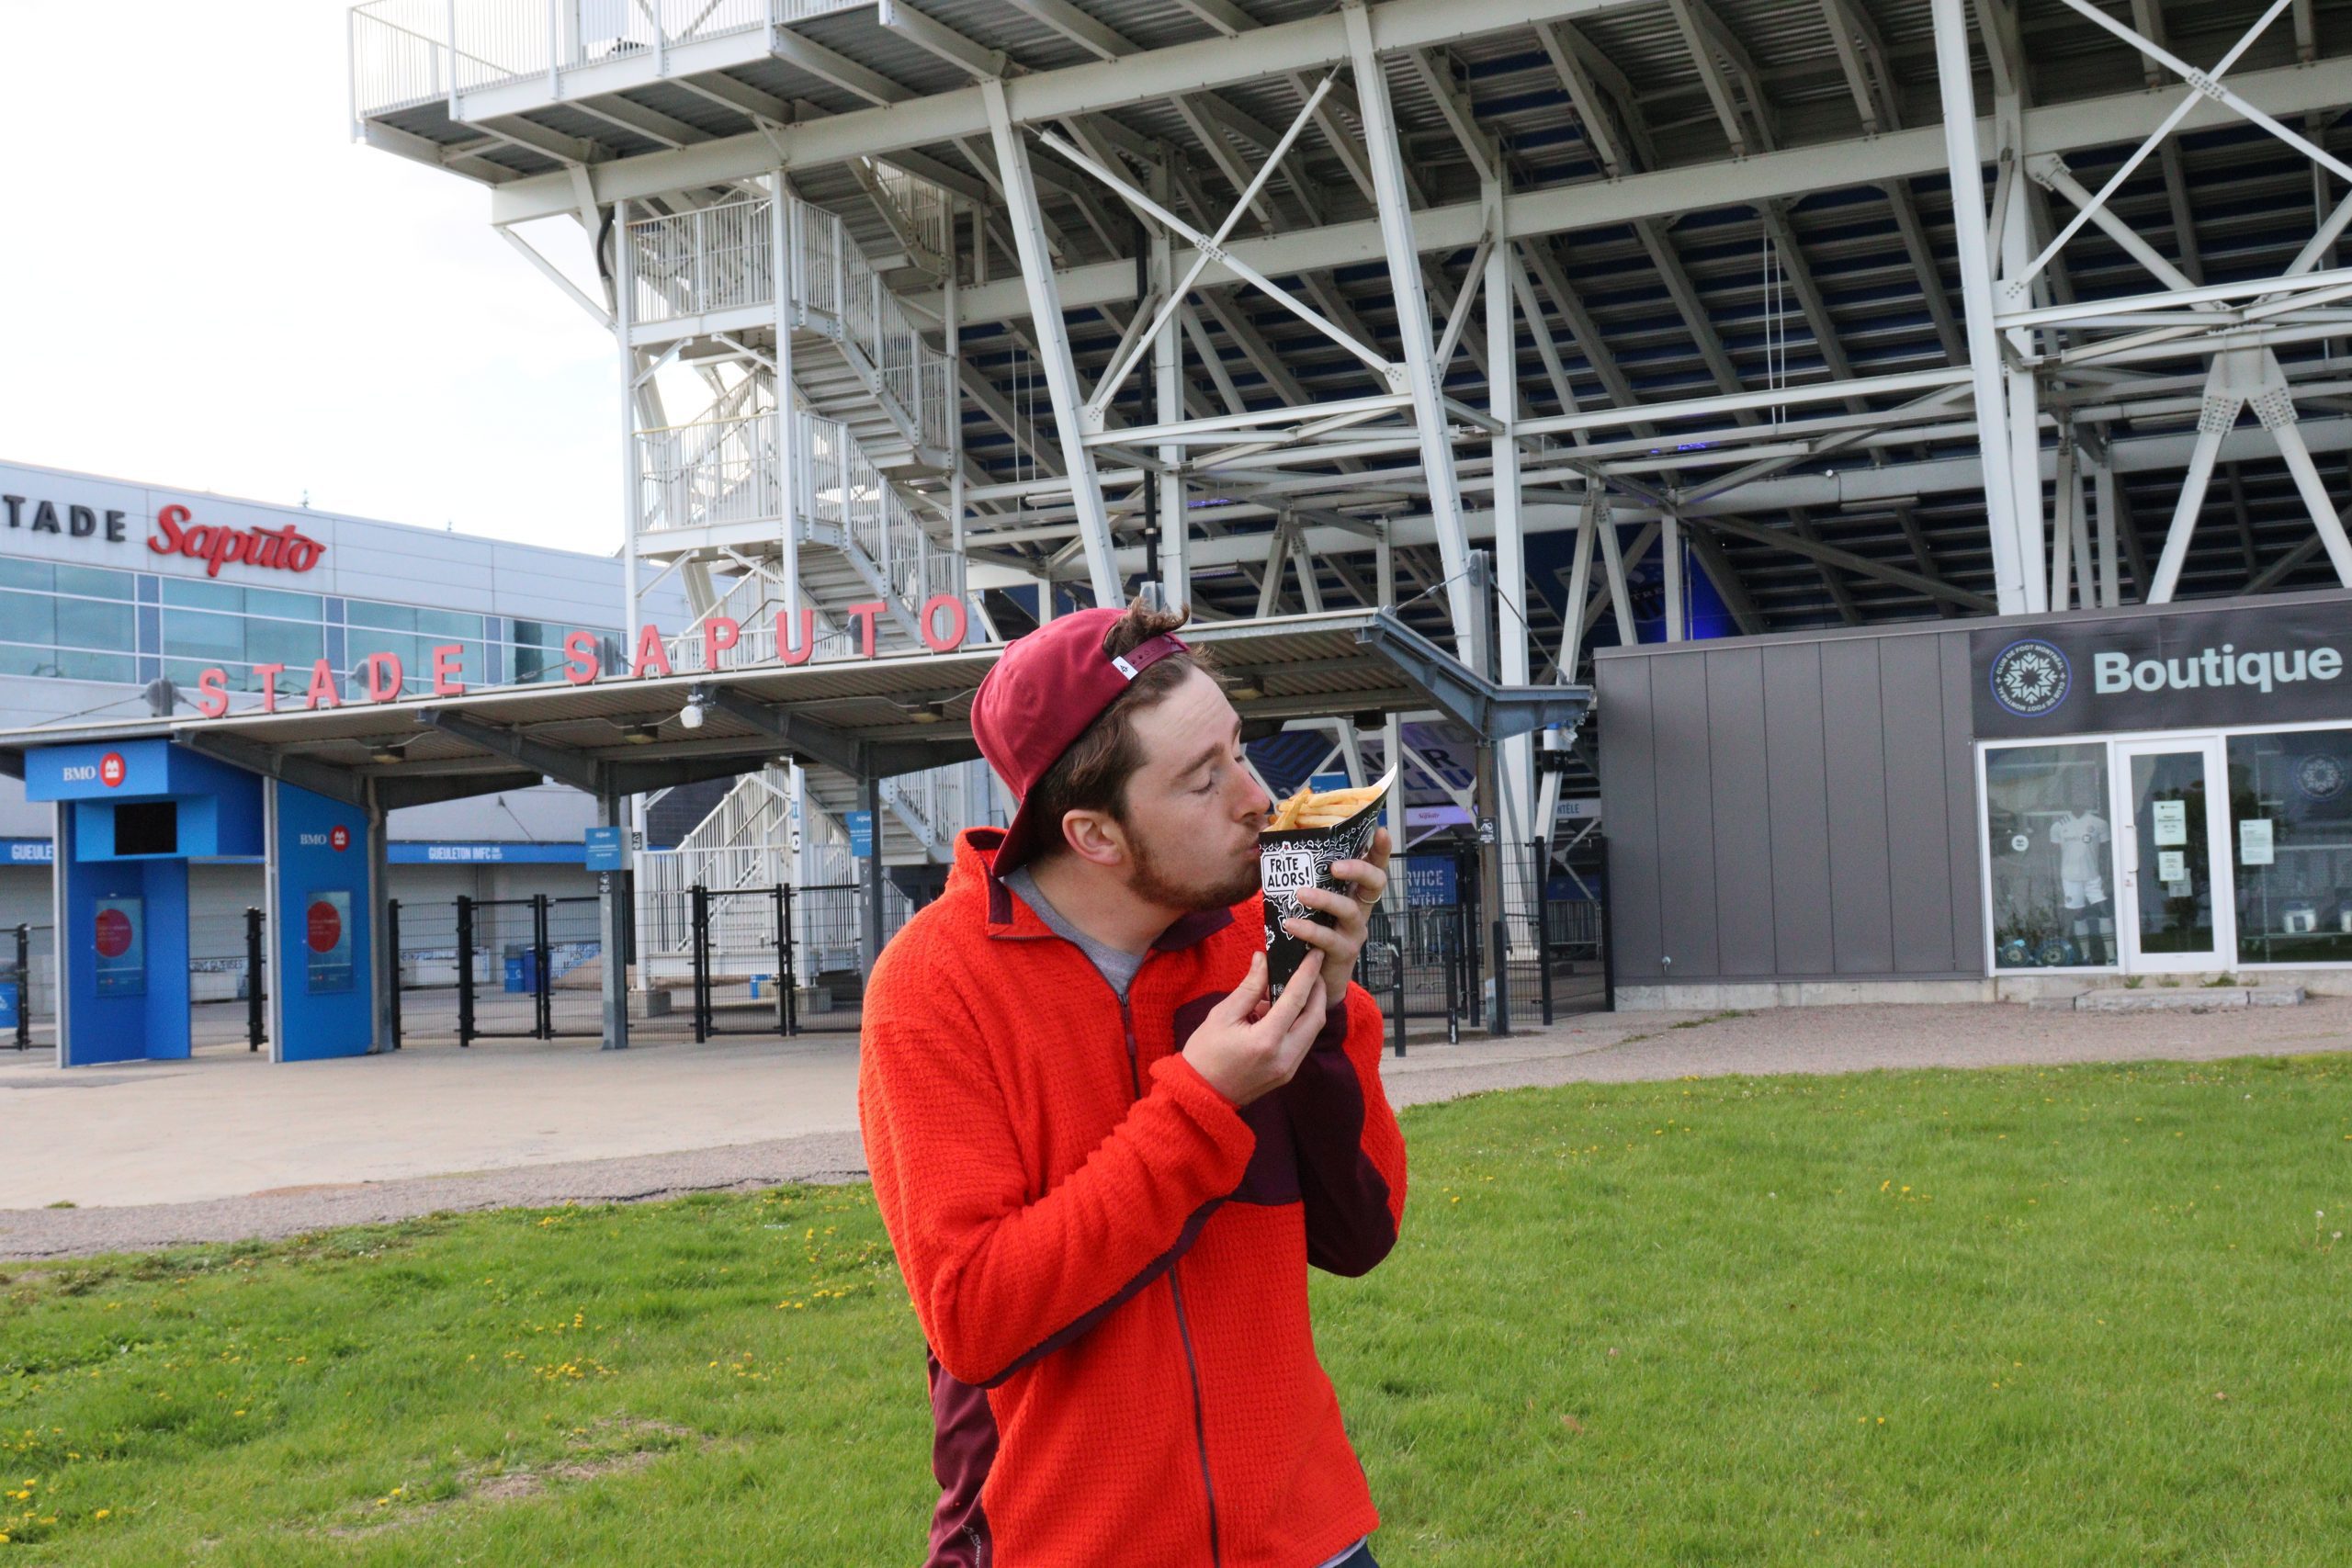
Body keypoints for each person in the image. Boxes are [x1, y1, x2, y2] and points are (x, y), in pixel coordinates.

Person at [859, 599, 1408, 1568]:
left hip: (1306, 1533)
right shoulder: (934, 987)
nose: (1257, 799)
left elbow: (1361, 1235)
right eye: (1205, 780)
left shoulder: (1248, 936)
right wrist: (1199, 1107)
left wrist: (1322, 1013)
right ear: (1095, 835)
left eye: (1240, 749)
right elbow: (976, 1317)